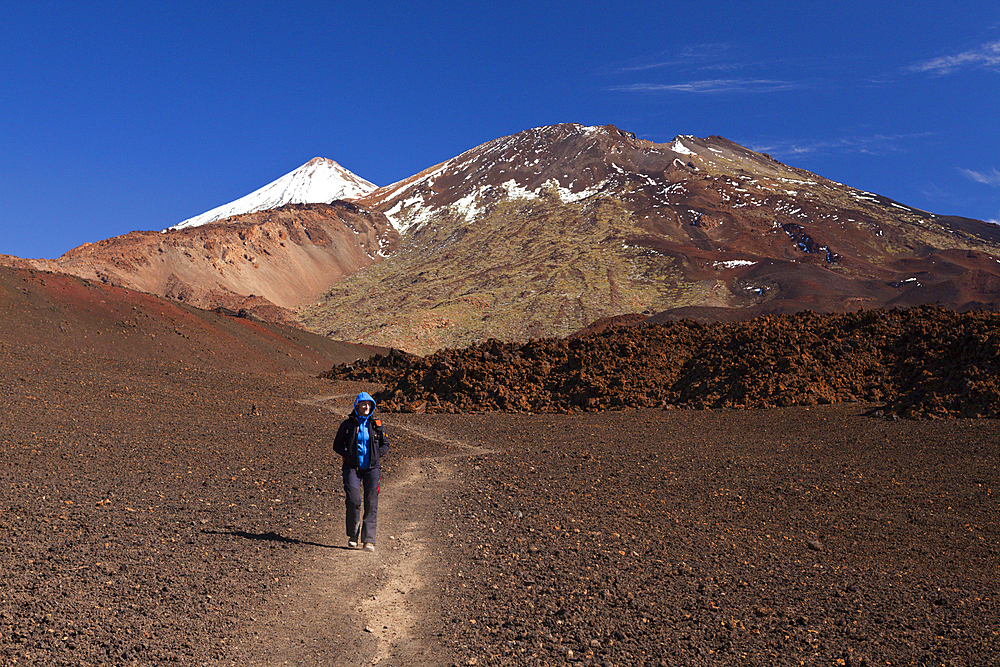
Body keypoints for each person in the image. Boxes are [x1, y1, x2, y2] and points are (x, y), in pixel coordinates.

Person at [332, 392, 389, 551]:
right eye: (363, 404)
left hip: (372, 468)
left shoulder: (376, 424)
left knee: (371, 503)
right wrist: (348, 455)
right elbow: (336, 445)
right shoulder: (347, 425)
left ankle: (369, 540)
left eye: (369, 404)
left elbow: (386, 444)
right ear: (357, 405)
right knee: (354, 499)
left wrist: (377, 455)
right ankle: (353, 535)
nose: (366, 407)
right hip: (352, 468)